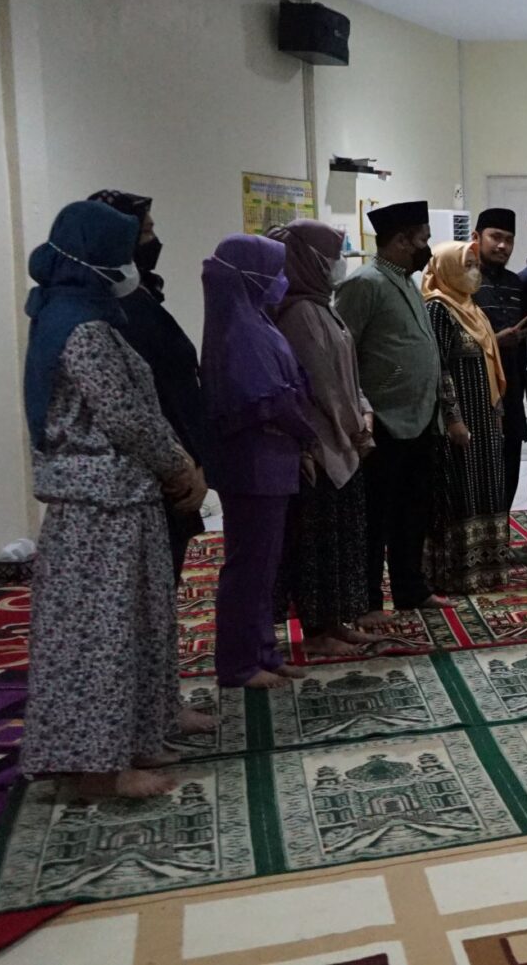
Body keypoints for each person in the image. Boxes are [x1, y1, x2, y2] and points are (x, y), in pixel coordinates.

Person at [22, 201, 207, 798]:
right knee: (101, 636)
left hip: (118, 498)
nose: (131, 259)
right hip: (102, 504)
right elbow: (126, 416)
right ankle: (98, 766)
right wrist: (179, 464)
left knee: (134, 626)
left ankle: (131, 739)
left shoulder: (75, 314)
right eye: (122, 248)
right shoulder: (82, 328)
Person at [200, 234, 314, 690]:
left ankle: (263, 651)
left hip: (273, 459)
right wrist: (306, 430)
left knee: (266, 564)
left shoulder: (257, 320)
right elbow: (267, 398)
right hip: (253, 463)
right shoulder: (239, 330)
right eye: (274, 271)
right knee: (248, 565)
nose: (280, 280)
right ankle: (238, 663)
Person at [84, 191, 213, 584]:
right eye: (144, 232)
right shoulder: (106, 310)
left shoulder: (140, 295)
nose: (154, 241)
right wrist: (181, 466)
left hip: (175, 465)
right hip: (150, 477)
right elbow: (140, 403)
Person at [266, 220, 376, 657]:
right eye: (332, 256)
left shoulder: (321, 306)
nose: (339, 264)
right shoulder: (300, 314)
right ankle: (316, 631)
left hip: (343, 440)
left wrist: (364, 410)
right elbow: (323, 385)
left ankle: (335, 622)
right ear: (309, 261)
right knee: (317, 543)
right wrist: (355, 426)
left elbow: (350, 374)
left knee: (339, 538)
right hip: (321, 442)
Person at [334, 199, 448, 620]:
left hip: (419, 417)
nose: (427, 247)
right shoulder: (365, 283)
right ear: (401, 241)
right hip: (382, 418)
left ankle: (410, 589)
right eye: (423, 239)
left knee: (413, 510)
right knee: (375, 516)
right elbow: (343, 352)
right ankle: (366, 600)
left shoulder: (406, 280)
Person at [423, 241, 510, 595]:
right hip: (459, 421)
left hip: (484, 418)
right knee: (460, 491)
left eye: (476, 264)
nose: (475, 271)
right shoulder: (438, 309)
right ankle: (457, 574)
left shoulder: (473, 309)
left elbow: (490, 366)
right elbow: (438, 367)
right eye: (467, 265)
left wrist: (496, 412)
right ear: (447, 268)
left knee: (487, 487)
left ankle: (488, 569)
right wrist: (453, 418)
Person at [471, 207, 527, 521]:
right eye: (495, 237)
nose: (502, 246)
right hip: (474, 394)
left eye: (509, 239)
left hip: (511, 393)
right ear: (476, 237)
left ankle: (501, 534)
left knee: (510, 467)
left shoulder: (516, 283)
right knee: (477, 472)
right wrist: (496, 341)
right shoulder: (462, 282)